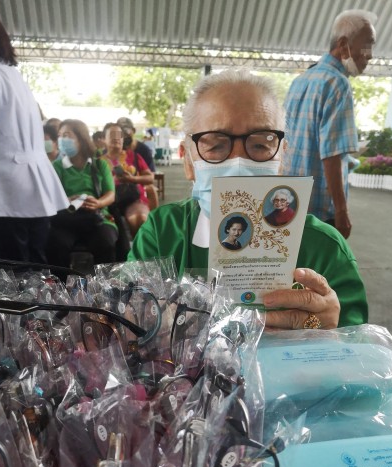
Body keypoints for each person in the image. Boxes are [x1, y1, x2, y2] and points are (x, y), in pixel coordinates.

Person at [128, 69, 368, 329]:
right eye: (215, 145)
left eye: (261, 144)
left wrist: (330, 332)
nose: (238, 163)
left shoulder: (325, 249)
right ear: (187, 160)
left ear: (281, 158)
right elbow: (129, 325)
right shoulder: (161, 235)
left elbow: (357, 341)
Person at [282, 9, 377, 239]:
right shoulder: (338, 84)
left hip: (290, 202)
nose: (370, 55)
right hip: (319, 212)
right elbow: (331, 155)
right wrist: (342, 212)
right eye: (367, 45)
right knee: (319, 262)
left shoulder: (301, 80)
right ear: (343, 45)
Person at [0, 3, 68, 263]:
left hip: (5, 197)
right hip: (28, 193)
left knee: (12, 278)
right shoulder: (11, 75)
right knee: (32, 273)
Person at [46, 119, 118, 268]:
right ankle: (61, 282)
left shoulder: (99, 165)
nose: (61, 140)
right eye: (60, 136)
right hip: (67, 219)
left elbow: (110, 194)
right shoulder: (57, 167)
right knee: (56, 243)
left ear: (81, 138)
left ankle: (104, 281)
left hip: (97, 217)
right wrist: (67, 200)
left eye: (67, 135)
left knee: (105, 241)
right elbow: (50, 198)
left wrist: (98, 203)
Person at [101, 122, 154, 237]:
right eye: (112, 135)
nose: (116, 138)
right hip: (106, 201)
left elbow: (150, 178)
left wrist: (133, 178)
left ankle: (139, 246)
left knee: (139, 218)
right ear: (104, 139)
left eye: (119, 135)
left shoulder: (134, 156)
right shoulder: (98, 161)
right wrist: (111, 180)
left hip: (133, 199)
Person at [117, 116, 159, 210]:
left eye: (126, 131)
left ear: (133, 130)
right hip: (116, 190)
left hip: (137, 189)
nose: (123, 136)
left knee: (150, 189)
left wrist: (133, 179)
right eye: (120, 133)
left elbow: (150, 177)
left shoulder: (143, 151)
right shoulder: (112, 151)